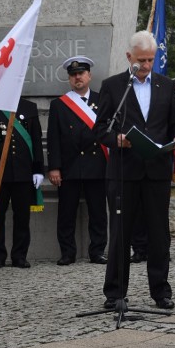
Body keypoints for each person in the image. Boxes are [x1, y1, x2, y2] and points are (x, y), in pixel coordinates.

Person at [95, 31, 175, 310]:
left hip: (157, 170)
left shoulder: (166, 85)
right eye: (141, 60)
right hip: (125, 170)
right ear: (128, 58)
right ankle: (115, 293)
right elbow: (100, 129)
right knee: (121, 233)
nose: (146, 65)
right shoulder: (113, 87)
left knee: (160, 234)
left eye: (150, 60)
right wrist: (117, 140)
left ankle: (161, 291)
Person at [47, 56, 109, 266]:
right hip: (69, 166)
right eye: (73, 75)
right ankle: (67, 253)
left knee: (98, 212)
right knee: (66, 213)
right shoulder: (59, 105)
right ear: (69, 79)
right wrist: (54, 167)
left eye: (81, 73)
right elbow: (53, 138)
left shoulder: (103, 101)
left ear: (89, 76)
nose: (77, 78)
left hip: (97, 165)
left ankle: (98, 251)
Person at [0, 98, 44, 268]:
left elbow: (36, 140)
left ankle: (19, 255)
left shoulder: (29, 107)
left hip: (23, 172)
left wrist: (38, 169)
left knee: (22, 217)